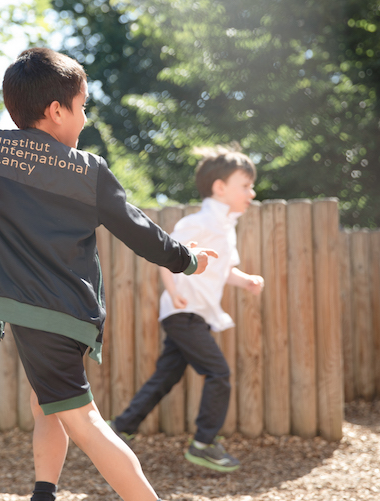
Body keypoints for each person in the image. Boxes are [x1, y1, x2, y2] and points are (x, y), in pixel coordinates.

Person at [0, 48, 218, 501]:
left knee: (85, 421)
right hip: (71, 315)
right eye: (84, 106)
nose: (86, 118)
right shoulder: (90, 170)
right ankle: (44, 492)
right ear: (56, 110)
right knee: (47, 407)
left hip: (40, 313)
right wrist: (186, 259)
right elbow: (139, 231)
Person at [108, 145, 264, 472]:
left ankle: (121, 428)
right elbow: (169, 252)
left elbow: (223, 270)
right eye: (245, 185)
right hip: (184, 313)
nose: (252, 192)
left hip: (196, 315)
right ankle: (204, 443)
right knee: (219, 373)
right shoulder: (202, 221)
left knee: (166, 375)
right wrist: (173, 289)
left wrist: (246, 280)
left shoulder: (225, 226)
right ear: (220, 188)